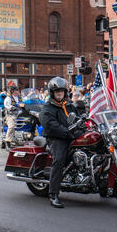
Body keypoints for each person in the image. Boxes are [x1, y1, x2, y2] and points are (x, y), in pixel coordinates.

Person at [40, 77, 80, 208]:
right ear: (52, 93)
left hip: (71, 135)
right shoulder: (48, 108)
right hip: (56, 138)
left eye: (61, 91)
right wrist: (67, 132)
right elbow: (50, 125)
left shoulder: (70, 105)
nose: (59, 93)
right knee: (59, 160)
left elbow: (79, 119)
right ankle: (53, 194)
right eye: (57, 91)